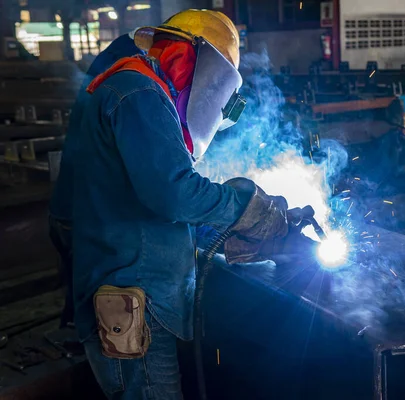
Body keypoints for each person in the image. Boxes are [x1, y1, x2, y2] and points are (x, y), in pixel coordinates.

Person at [61, 9, 294, 399]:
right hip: (134, 300)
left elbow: (146, 202)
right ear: (193, 59)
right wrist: (248, 207)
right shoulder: (140, 93)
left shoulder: (142, 89)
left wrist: (218, 231)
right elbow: (173, 193)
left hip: (141, 298)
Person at [49, 31, 143, 328]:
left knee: (84, 307)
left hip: (72, 209)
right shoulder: (130, 74)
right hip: (82, 215)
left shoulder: (119, 60)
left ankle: (76, 331)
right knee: (101, 319)